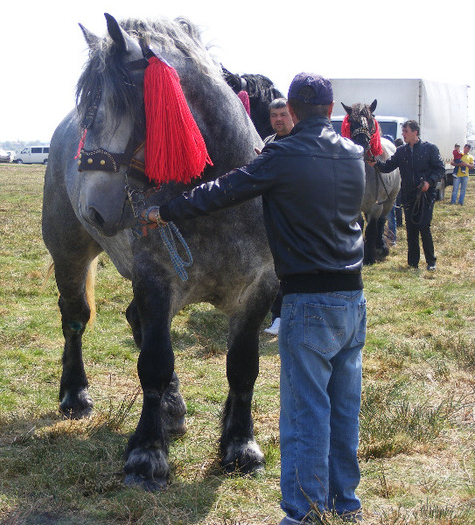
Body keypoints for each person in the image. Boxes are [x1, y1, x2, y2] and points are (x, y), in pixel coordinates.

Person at [140, 73, 367, 524]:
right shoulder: (354, 153)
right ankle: (345, 507)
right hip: (353, 300)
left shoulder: (282, 155)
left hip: (308, 302)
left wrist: (162, 211)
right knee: (343, 412)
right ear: (331, 107)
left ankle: (303, 514)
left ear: (294, 112)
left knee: (305, 414)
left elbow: (222, 191)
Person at [368, 120, 445, 270]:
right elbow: (388, 166)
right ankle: (413, 262)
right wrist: (375, 163)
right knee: (411, 228)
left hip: (426, 195)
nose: (403, 134)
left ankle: (431, 261)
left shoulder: (430, 149)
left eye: (406, 132)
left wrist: (429, 182)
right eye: (403, 132)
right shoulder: (401, 151)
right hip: (409, 195)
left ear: (415, 132)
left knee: (424, 226)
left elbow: (440, 169)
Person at [262, 97, 294, 335]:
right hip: (272, 215)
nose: (278, 120)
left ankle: (286, 315)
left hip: (295, 216)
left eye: (283, 114)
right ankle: (277, 315)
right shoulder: (267, 142)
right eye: (274, 116)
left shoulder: (300, 142)